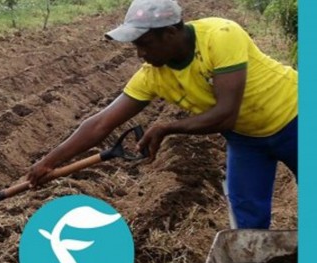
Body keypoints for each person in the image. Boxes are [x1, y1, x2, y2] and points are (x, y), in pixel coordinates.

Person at [26, 0, 297, 229]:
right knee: (247, 217)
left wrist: (167, 127)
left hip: (296, 119)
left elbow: (225, 115)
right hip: (246, 139)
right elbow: (101, 123)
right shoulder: (153, 76)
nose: (140, 54)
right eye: (136, 46)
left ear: (170, 32)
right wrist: (49, 162)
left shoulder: (221, 35)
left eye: (145, 43)